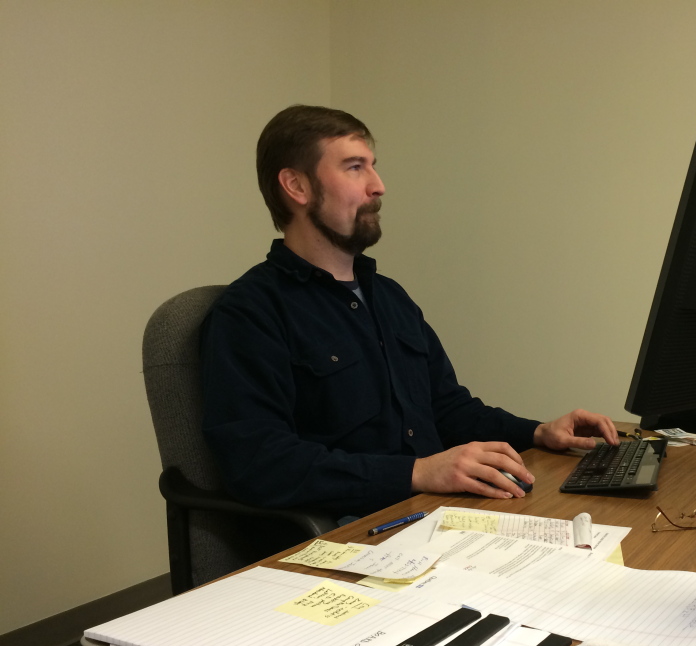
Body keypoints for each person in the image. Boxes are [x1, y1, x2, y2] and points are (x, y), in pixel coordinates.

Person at [200, 105, 618, 519]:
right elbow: (260, 463)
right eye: (354, 167)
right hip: (352, 535)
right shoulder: (250, 313)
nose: (378, 185)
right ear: (297, 186)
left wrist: (538, 432)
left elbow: (449, 409)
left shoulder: (389, 297)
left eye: (373, 166)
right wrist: (416, 473)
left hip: (441, 517)